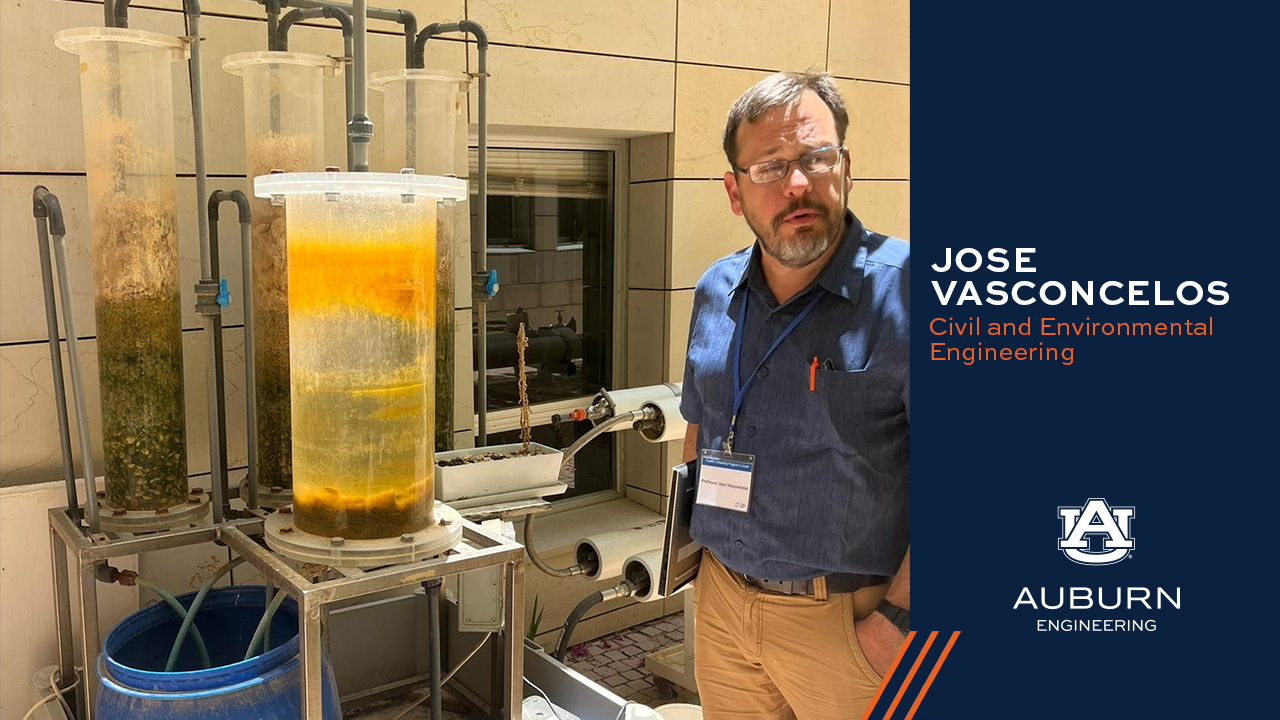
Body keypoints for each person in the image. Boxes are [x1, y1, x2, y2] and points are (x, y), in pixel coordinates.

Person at [679, 71, 910, 720]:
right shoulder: (714, 291)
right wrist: (697, 570)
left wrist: (897, 625)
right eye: (770, 167)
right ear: (734, 191)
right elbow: (699, 424)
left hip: (848, 628)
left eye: (816, 158)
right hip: (725, 609)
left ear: (847, 168)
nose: (798, 184)